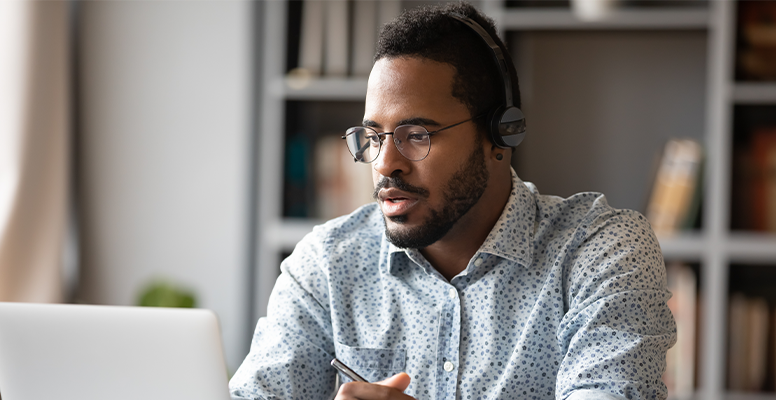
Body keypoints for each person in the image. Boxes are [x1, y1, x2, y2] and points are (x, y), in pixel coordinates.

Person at [230, 2, 676, 399]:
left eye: (417, 135)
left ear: (501, 134)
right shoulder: (327, 264)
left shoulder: (600, 251)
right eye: (372, 137)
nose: (386, 164)